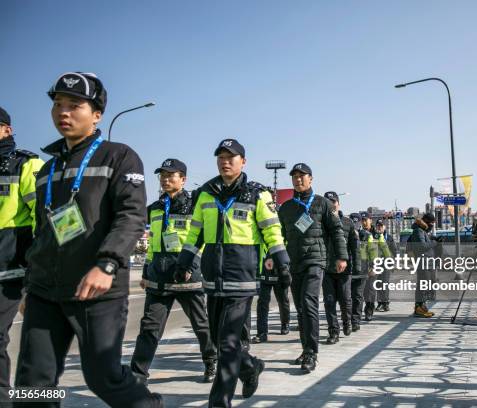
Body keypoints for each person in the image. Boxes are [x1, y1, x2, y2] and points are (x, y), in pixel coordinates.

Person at [15, 72, 162, 406]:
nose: (63, 113)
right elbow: (42, 231)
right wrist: (30, 284)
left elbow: (132, 215)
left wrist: (107, 264)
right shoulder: (46, 170)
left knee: (102, 378)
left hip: (97, 290)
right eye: (57, 105)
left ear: (97, 114)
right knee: (31, 384)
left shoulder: (118, 156)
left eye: (74, 105)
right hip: (45, 291)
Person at [176, 139, 290, 407]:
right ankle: (250, 367)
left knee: (227, 343)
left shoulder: (257, 194)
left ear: (243, 162)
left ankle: (219, 402)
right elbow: (195, 232)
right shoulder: (205, 194)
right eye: (221, 157)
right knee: (220, 340)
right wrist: (184, 261)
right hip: (213, 278)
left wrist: (282, 261)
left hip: (242, 277)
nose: (225, 161)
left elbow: (272, 230)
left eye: (231, 157)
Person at [130, 158, 217, 384]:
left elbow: (203, 241)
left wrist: (190, 266)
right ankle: (138, 374)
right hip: (159, 278)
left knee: (201, 325)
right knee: (149, 328)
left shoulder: (194, 206)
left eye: (171, 175)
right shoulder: (157, 208)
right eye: (162, 176)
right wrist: (146, 272)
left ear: (183, 179)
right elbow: (153, 244)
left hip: (187, 277)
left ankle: (211, 361)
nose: (165, 180)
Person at [278, 164, 348, 373]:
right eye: (295, 177)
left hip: (316, 261)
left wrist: (342, 256)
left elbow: (336, 230)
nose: (298, 180)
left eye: (302, 176)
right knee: (300, 307)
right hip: (294, 261)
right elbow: (279, 234)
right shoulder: (286, 207)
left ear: (311, 179)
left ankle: (311, 353)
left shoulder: (322, 203)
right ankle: (304, 348)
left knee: (309, 302)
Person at [0, 106, 43, 396]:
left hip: (12, 272)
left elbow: (45, 221)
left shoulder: (26, 165)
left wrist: (36, 277)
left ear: (7, 130)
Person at [321, 191, 360, 344]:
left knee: (345, 300)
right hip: (326, 269)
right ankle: (333, 332)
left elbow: (355, 247)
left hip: (344, 269)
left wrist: (356, 267)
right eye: (328, 202)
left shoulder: (348, 222)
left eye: (333, 202)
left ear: (338, 203)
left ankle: (347, 322)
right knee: (329, 302)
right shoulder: (319, 222)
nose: (331, 204)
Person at [252, 252, 291, 343]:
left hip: (280, 270)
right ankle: (262, 333)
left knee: (283, 300)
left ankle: (285, 323)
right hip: (264, 271)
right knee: (262, 302)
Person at [408, 213, 438, 318]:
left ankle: (422, 306)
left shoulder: (423, 231)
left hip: (427, 263)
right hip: (423, 263)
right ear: (425, 221)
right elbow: (422, 247)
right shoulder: (418, 231)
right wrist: (434, 243)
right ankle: (418, 308)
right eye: (431, 223)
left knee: (426, 285)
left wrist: (434, 239)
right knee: (422, 285)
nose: (432, 225)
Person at [352, 212, 377, 330]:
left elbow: (373, 251)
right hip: (359, 267)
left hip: (369, 266)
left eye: (366, 219)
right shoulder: (354, 233)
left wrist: (373, 266)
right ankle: (357, 315)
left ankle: (369, 311)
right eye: (362, 220)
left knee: (370, 291)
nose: (364, 222)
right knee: (358, 293)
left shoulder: (371, 235)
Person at [374, 219, 396, 313]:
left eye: (381, 226)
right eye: (378, 226)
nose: (379, 227)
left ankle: (386, 303)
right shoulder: (373, 236)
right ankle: (380, 303)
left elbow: (394, 250)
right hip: (377, 264)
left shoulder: (389, 238)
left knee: (385, 284)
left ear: (384, 227)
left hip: (386, 264)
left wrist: (393, 263)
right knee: (378, 284)